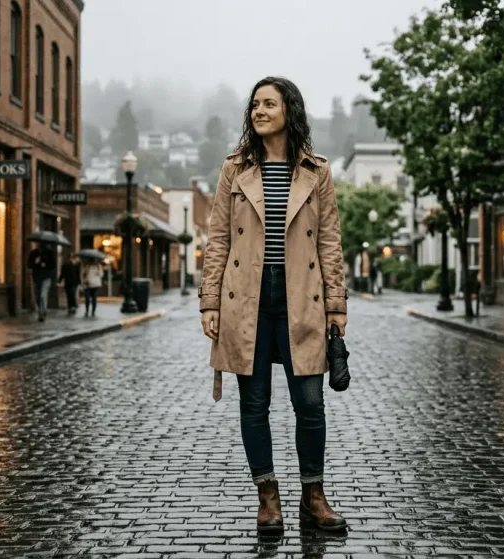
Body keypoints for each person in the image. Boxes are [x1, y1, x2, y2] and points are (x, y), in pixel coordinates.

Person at [199, 77, 348, 533]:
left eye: (269, 103)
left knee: (311, 403)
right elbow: (219, 238)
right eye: (255, 104)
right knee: (255, 404)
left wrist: (337, 305)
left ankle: (314, 496)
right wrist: (210, 302)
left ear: (289, 110)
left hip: (302, 297)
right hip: (246, 297)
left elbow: (329, 241)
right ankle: (268, 498)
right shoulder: (234, 169)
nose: (259, 111)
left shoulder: (316, 170)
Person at [27, 242, 57, 322]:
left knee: (43, 296)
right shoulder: (33, 253)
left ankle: (42, 313)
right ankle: (41, 310)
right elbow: (29, 265)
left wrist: (45, 264)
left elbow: (53, 265)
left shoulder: (49, 253)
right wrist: (35, 262)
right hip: (36, 277)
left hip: (46, 277)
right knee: (37, 296)